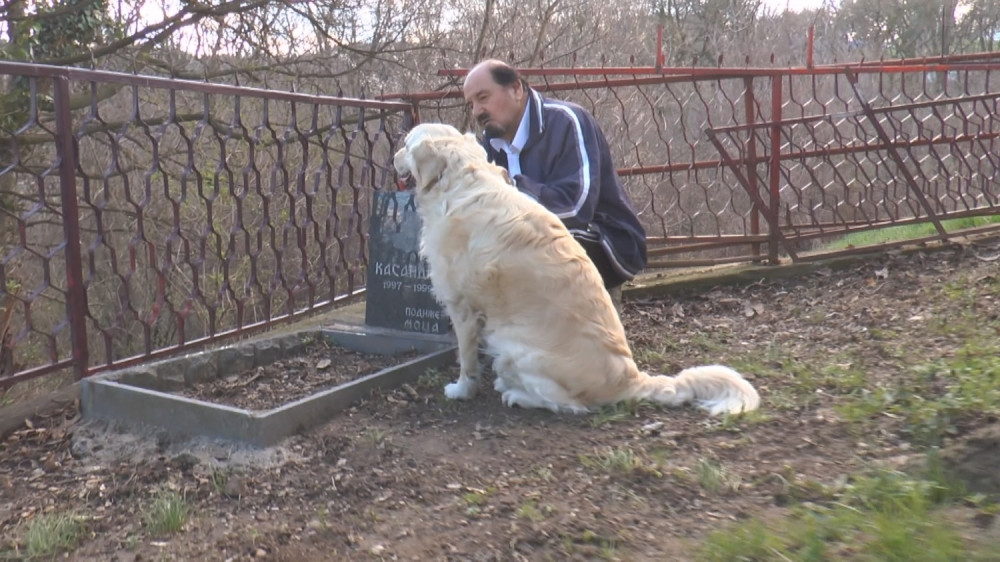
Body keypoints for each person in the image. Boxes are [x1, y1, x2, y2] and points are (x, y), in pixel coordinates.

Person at [462, 59, 647, 308]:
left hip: (602, 241)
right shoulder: (490, 144)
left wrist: (510, 190)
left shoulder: (567, 121)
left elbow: (576, 207)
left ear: (516, 89)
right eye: (471, 104)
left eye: (483, 97)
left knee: (539, 241)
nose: (476, 111)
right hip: (535, 254)